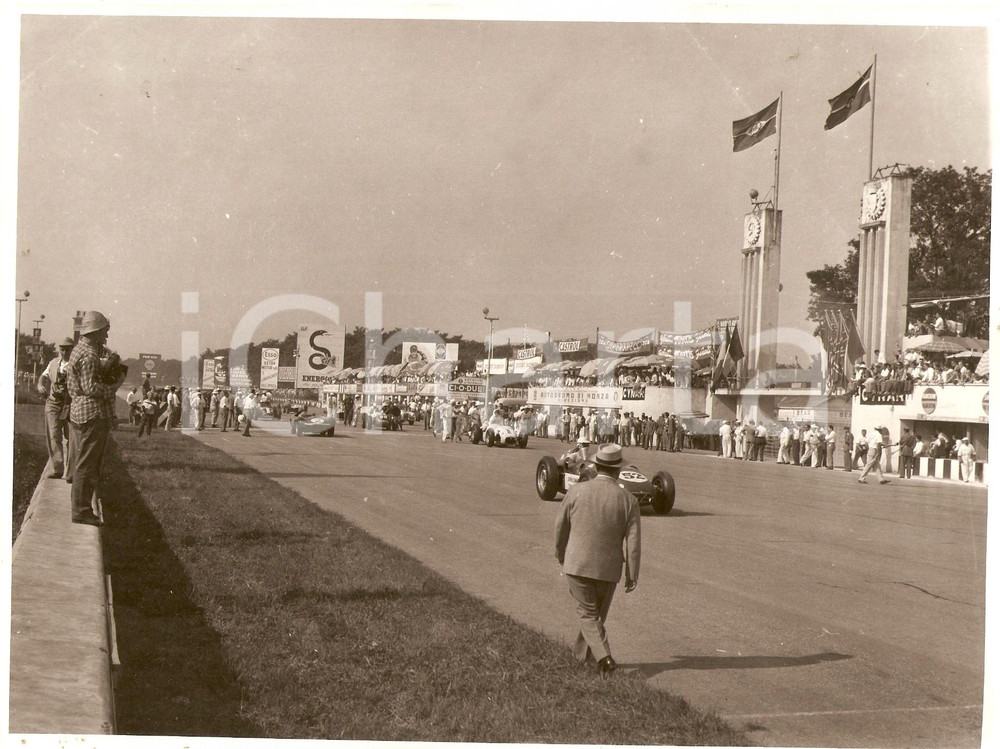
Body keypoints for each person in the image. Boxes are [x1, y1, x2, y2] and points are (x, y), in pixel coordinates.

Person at [554, 443, 640, 679]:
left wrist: (560, 553)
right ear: (618, 471)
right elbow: (632, 542)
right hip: (609, 569)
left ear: (597, 466)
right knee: (594, 615)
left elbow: (560, 526)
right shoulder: (629, 500)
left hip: (577, 563)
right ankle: (581, 657)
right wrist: (633, 573)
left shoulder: (576, 491)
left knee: (589, 615)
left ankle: (604, 659)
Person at [66, 311, 127, 525]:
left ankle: (80, 507)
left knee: (82, 461)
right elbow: (90, 387)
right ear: (96, 331)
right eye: (105, 332)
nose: (106, 337)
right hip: (92, 413)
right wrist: (113, 388)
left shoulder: (77, 351)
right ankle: (82, 510)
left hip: (79, 412)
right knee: (88, 464)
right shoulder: (90, 355)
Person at [36, 337, 75, 479]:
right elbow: (43, 376)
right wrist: (40, 385)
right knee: (54, 435)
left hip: (70, 403)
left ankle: (71, 472)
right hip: (53, 403)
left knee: (71, 437)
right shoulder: (53, 363)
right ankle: (57, 468)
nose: (64, 352)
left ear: (72, 349)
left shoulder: (76, 364)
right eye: (62, 349)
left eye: (68, 349)